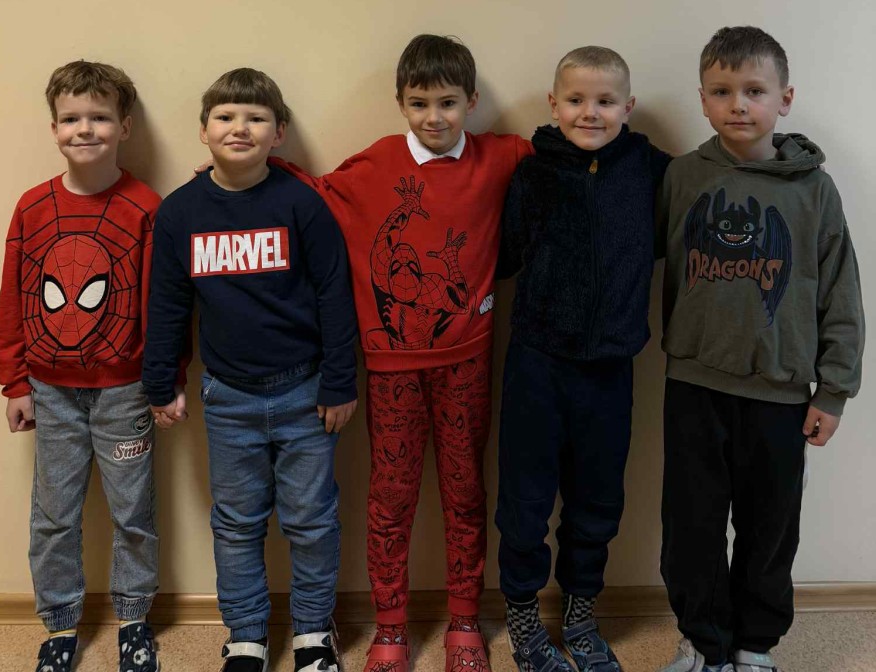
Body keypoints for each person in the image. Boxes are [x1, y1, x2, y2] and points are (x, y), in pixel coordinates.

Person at [271, 35, 533, 672]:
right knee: (391, 498)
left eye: (447, 102)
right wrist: (246, 172)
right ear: (400, 103)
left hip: (468, 361)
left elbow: (563, 151)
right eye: (419, 103)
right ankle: (390, 625)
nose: (433, 117)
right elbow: (312, 192)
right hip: (390, 367)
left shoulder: (504, 157)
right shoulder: (376, 165)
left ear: (471, 101)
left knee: (466, 493)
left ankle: (465, 619)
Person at [655, 26, 865, 672]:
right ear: (702, 100)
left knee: (769, 529)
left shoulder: (813, 189)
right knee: (690, 527)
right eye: (721, 91)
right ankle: (703, 643)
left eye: (754, 90)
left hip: (779, 393)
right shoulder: (683, 177)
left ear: (785, 98)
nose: (738, 104)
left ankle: (754, 646)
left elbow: (841, 291)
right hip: (694, 386)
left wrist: (834, 389)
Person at [142, 67, 358, 672]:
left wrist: (340, 381)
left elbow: (335, 296)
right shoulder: (180, 212)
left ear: (278, 133)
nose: (240, 127)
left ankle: (313, 633)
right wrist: (161, 381)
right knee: (236, 525)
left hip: (307, 394)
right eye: (226, 116)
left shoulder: (301, 205)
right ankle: (246, 636)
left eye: (256, 117)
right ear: (204, 131)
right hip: (227, 398)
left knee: (311, 523)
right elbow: (167, 305)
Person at [495, 46, 671, 672]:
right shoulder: (532, 173)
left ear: (628, 105)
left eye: (604, 101)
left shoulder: (651, 170)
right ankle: (523, 616)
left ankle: (580, 615)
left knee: (597, 502)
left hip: (610, 369)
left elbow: (692, 209)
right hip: (536, 364)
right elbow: (505, 254)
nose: (589, 113)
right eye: (575, 100)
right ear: (554, 104)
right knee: (524, 503)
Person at [0, 60, 163, 672]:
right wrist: (14, 381)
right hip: (49, 389)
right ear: (53, 128)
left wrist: (164, 380)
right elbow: (13, 298)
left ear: (125, 126)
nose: (84, 129)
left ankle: (135, 621)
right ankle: (60, 625)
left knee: (133, 512)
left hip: (126, 390)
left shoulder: (145, 208)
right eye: (70, 119)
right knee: (54, 515)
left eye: (99, 117)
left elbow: (162, 307)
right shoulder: (32, 207)